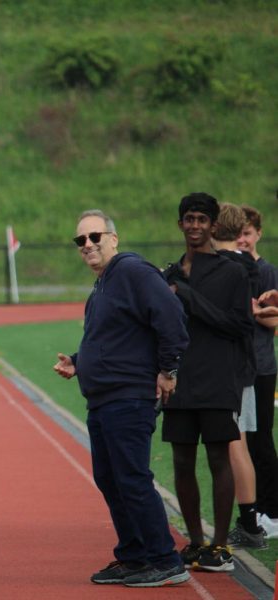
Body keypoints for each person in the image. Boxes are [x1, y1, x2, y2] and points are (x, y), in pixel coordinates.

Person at [53, 209, 190, 587]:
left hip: (128, 398)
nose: (88, 245)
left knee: (131, 478)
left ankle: (165, 559)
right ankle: (133, 555)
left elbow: (172, 318)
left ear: (113, 238)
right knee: (111, 479)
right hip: (103, 399)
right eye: (80, 240)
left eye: (94, 236)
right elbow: (117, 339)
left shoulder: (132, 272)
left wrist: (169, 370)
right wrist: (79, 363)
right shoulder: (104, 285)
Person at [161, 192, 253, 572]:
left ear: (214, 226)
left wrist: (188, 295)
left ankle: (220, 546)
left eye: (202, 219)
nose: (195, 225)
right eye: (189, 218)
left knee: (219, 459)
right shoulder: (167, 273)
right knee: (182, 460)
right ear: (180, 224)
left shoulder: (233, 272)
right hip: (180, 381)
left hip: (217, 380)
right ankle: (196, 541)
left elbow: (239, 326)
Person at [210, 202, 266, 549]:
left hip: (229, 369)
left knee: (234, 446)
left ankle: (249, 524)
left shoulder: (226, 267)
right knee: (238, 445)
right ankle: (249, 523)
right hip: (241, 367)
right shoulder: (245, 266)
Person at [237, 204, 278, 536]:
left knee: (261, 440)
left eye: (248, 233)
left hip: (262, 367)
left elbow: (276, 320)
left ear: (258, 234)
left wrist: (251, 312)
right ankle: (258, 508)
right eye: (238, 234)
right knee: (244, 442)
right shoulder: (233, 269)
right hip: (239, 368)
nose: (243, 239)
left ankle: (272, 511)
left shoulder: (266, 272)